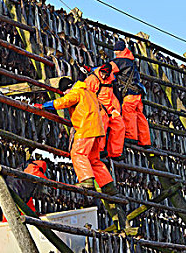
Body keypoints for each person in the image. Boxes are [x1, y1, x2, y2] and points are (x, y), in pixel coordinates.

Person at [35, 78, 127, 230]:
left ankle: (86, 180)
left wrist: (46, 105)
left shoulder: (77, 92)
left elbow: (65, 101)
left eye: (64, 91)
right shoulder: (90, 93)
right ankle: (108, 185)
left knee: (77, 153)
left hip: (85, 129)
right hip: (98, 131)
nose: (65, 93)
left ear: (68, 88)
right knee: (94, 160)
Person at [110, 40, 151, 147]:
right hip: (138, 93)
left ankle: (131, 136)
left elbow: (107, 69)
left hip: (129, 93)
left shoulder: (120, 61)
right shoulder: (131, 61)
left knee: (128, 113)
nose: (115, 53)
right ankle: (145, 141)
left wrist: (92, 70)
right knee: (140, 116)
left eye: (116, 51)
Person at [84, 63, 126, 160]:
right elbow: (86, 96)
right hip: (99, 107)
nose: (103, 76)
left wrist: (116, 110)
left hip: (111, 108)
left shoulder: (111, 77)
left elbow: (117, 64)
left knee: (120, 126)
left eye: (106, 74)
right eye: (102, 73)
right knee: (103, 124)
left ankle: (115, 153)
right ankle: (99, 150)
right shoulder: (91, 80)